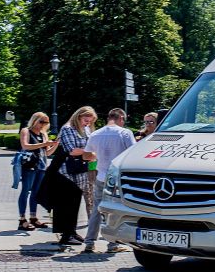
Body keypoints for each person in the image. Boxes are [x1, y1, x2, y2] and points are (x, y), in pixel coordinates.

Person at [83, 108, 136, 253]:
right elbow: (133, 153)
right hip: (117, 178)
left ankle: (89, 242)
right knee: (114, 210)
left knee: (97, 209)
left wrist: (99, 155)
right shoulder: (125, 133)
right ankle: (112, 244)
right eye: (123, 120)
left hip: (101, 176)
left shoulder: (95, 134)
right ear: (120, 118)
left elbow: (86, 156)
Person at [53, 106, 97, 246]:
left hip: (80, 169)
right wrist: (92, 153)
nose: (87, 124)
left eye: (90, 122)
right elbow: (72, 150)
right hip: (68, 171)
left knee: (75, 202)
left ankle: (71, 232)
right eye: (85, 120)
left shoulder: (84, 128)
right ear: (78, 117)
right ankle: (66, 234)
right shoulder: (68, 128)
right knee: (68, 203)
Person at [16, 112, 59, 231]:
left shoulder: (43, 134)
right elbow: (25, 146)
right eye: (41, 122)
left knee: (36, 192)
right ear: (34, 120)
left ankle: (33, 217)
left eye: (45, 122)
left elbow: (48, 153)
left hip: (41, 166)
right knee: (25, 191)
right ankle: (22, 219)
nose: (43, 125)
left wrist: (55, 144)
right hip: (29, 165)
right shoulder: (26, 131)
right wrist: (45, 144)